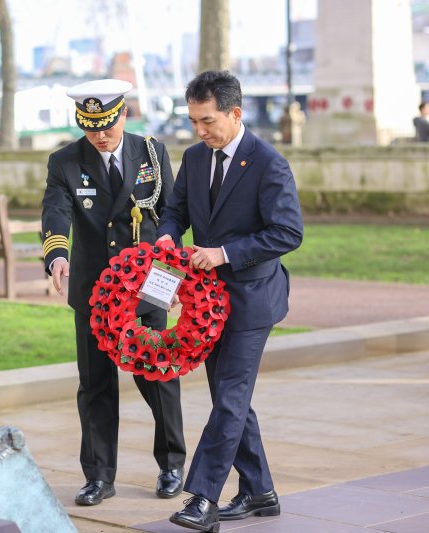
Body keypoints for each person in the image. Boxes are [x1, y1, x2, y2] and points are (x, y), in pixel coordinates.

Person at [157, 70, 303, 532]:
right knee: (230, 398)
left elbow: (288, 232)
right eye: (194, 121)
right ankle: (259, 490)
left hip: (253, 299)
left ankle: (203, 498)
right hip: (207, 300)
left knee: (230, 399)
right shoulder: (195, 158)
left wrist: (222, 253)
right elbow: (175, 210)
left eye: (207, 121)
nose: (200, 131)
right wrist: (165, 238)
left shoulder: (269, 163)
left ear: (234, 114)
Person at [41, 79, 186, 506]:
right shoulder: (65, 161)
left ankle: (172, 463)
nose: (100, 136)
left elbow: (170, 215)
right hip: (93, 290)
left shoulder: (152, 153)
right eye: (90, 127)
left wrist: (172, 276)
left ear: (124, 114)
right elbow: (56, 210)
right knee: (95, 383)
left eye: (106, 125)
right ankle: (99, 476)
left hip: (148, 286)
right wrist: (57, 255)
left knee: (156, 373)